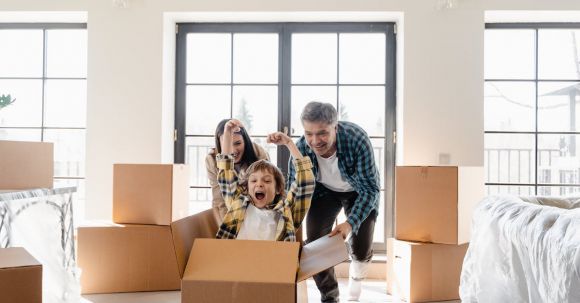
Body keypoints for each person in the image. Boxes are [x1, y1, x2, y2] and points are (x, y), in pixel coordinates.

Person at [286, 102, 380, 302]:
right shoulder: (302, 146)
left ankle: (355, 285)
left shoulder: (357, 139)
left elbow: (370, 189)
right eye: (309, 133)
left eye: (322, 133)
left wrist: (350, 223)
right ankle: (330, 297)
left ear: (335, 127)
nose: (315, 140)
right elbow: (292, 190)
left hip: (359, 190)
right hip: (324, 191)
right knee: (316, 244)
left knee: (361, 248)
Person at [215, 119, 315, 241]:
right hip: (239, 259)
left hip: (273, 259)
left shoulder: (286, 212)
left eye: (267, 181)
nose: (259, 184)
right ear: (246, 187)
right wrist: (227, 133)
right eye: (253, 181)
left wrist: (289, 143)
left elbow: (305, 183)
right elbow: (226, 174)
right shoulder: (238, 205)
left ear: (278, 188)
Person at [205, 119, 269, 223]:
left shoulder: (258, 153)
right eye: (227, 143)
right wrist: (228, 230)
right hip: (232, 211)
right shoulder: (211, 160)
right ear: (219, 143)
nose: (234, 150)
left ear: (245, 141)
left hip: (258, 212)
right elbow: (219, 201)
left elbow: (268, 193)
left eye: (238, 143)